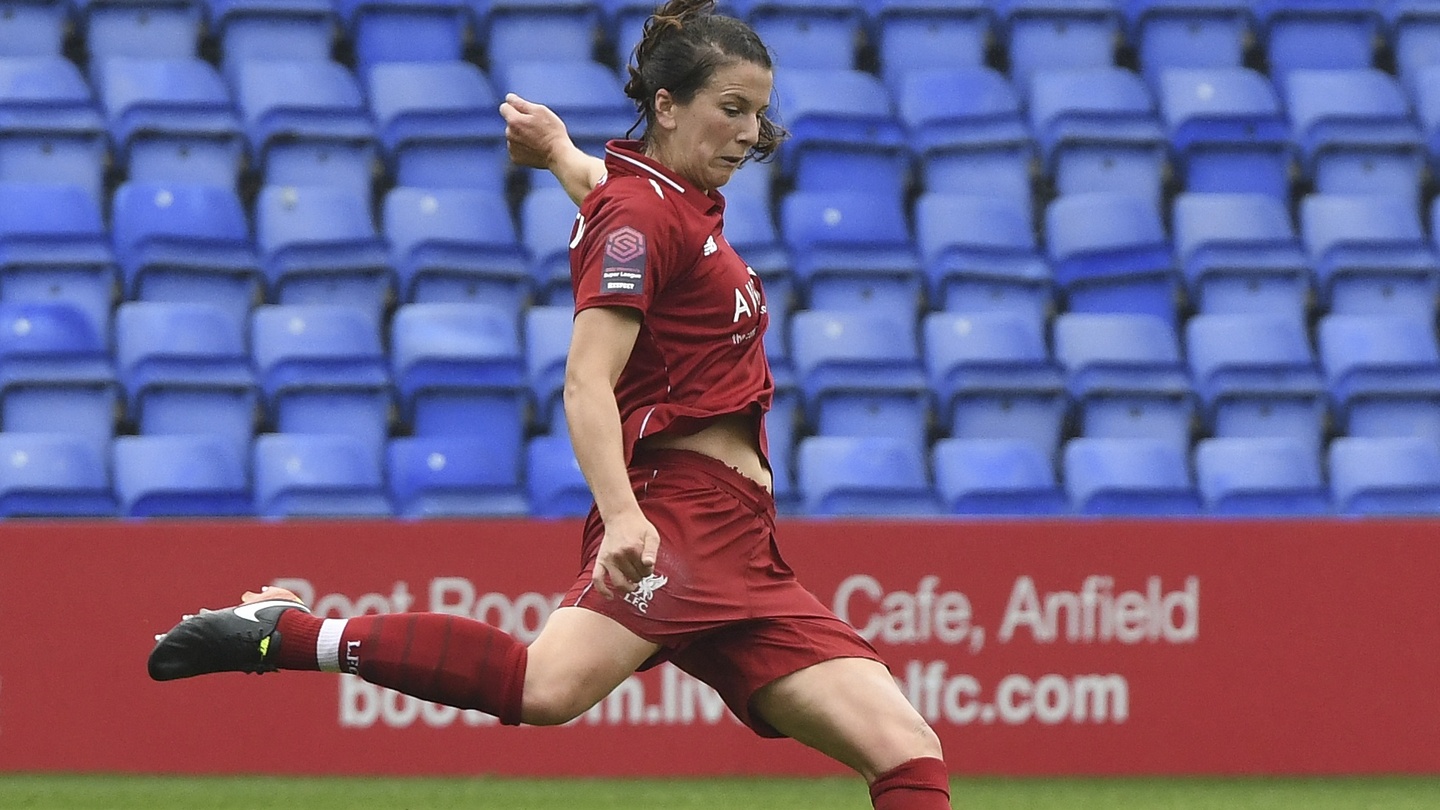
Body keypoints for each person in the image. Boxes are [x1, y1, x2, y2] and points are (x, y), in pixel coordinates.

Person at [148, 2, 951, 806]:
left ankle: (292, 632)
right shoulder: (641, 214)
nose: (750, 131)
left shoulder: (662, 201)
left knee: (907, 751)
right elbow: (585, 381)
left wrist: (561, 152)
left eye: (758, 112)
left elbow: (618, 203)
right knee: (545, 688)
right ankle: (289, 634)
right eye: (731, 109)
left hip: (744, 542)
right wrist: (626, 513)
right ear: (667, 106)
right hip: (681, 516)